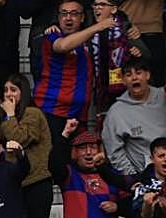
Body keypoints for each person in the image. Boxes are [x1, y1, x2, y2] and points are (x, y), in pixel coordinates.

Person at [31, 0, 107, 152]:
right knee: (53, 159)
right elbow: (63, 46)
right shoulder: (52, 35)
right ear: (58, 17)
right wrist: (98, 26)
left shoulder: (90, 40)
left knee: (75, 160)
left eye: (74, 14)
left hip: (79, 114)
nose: (68, 18)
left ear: (83, 17)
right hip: (52, 111)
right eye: (64, 13)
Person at [0, 74, 54, 218]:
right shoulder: (10, 117)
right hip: (17, 184)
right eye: (6, 90)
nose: (9, 95)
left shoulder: (33, 113)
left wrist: (10, 115)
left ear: (23, 92)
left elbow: (19, 138)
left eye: (13, 90)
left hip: (37, 182)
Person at [101, 58, 166, 176]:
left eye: (138, 73)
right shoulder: (116, 112)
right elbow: (113, 150)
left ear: (147, 75)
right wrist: (133, 176)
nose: (134, 78)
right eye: (128, 75)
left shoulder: (165, 96)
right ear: (123, 80)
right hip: (143, 175)